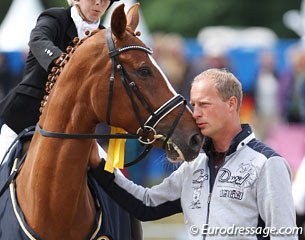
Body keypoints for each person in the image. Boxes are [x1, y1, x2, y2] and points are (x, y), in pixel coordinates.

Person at [91, 68, 299, 239]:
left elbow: (284, 235)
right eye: (193, 105)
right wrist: (100, 164)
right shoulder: (194, 164)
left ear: (231, 104)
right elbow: (146, 204)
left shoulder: (267, 163)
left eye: (204, 105)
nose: (196, 113)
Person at [0, 0, 120, 163]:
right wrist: (65, 62)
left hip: (73, 128)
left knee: (112, 172)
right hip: (26, 117)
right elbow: (38, 40)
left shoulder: (106, 38)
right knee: (2, 164)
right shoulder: (55, 18)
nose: (99, 3)